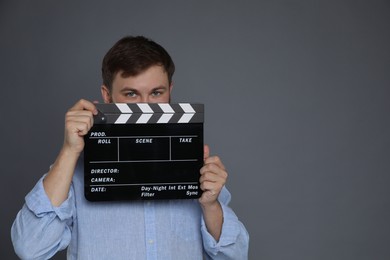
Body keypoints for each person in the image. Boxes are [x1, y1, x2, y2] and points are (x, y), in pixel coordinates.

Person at [11, 36, 249, 259]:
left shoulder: (194, 164)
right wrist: (69, 150)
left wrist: (211, 206)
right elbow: (31, 248)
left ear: (170, 92)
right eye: (131, 94)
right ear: (107, 96)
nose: (145, 107)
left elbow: (235, 255)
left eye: (156, 93)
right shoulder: (73, 171)